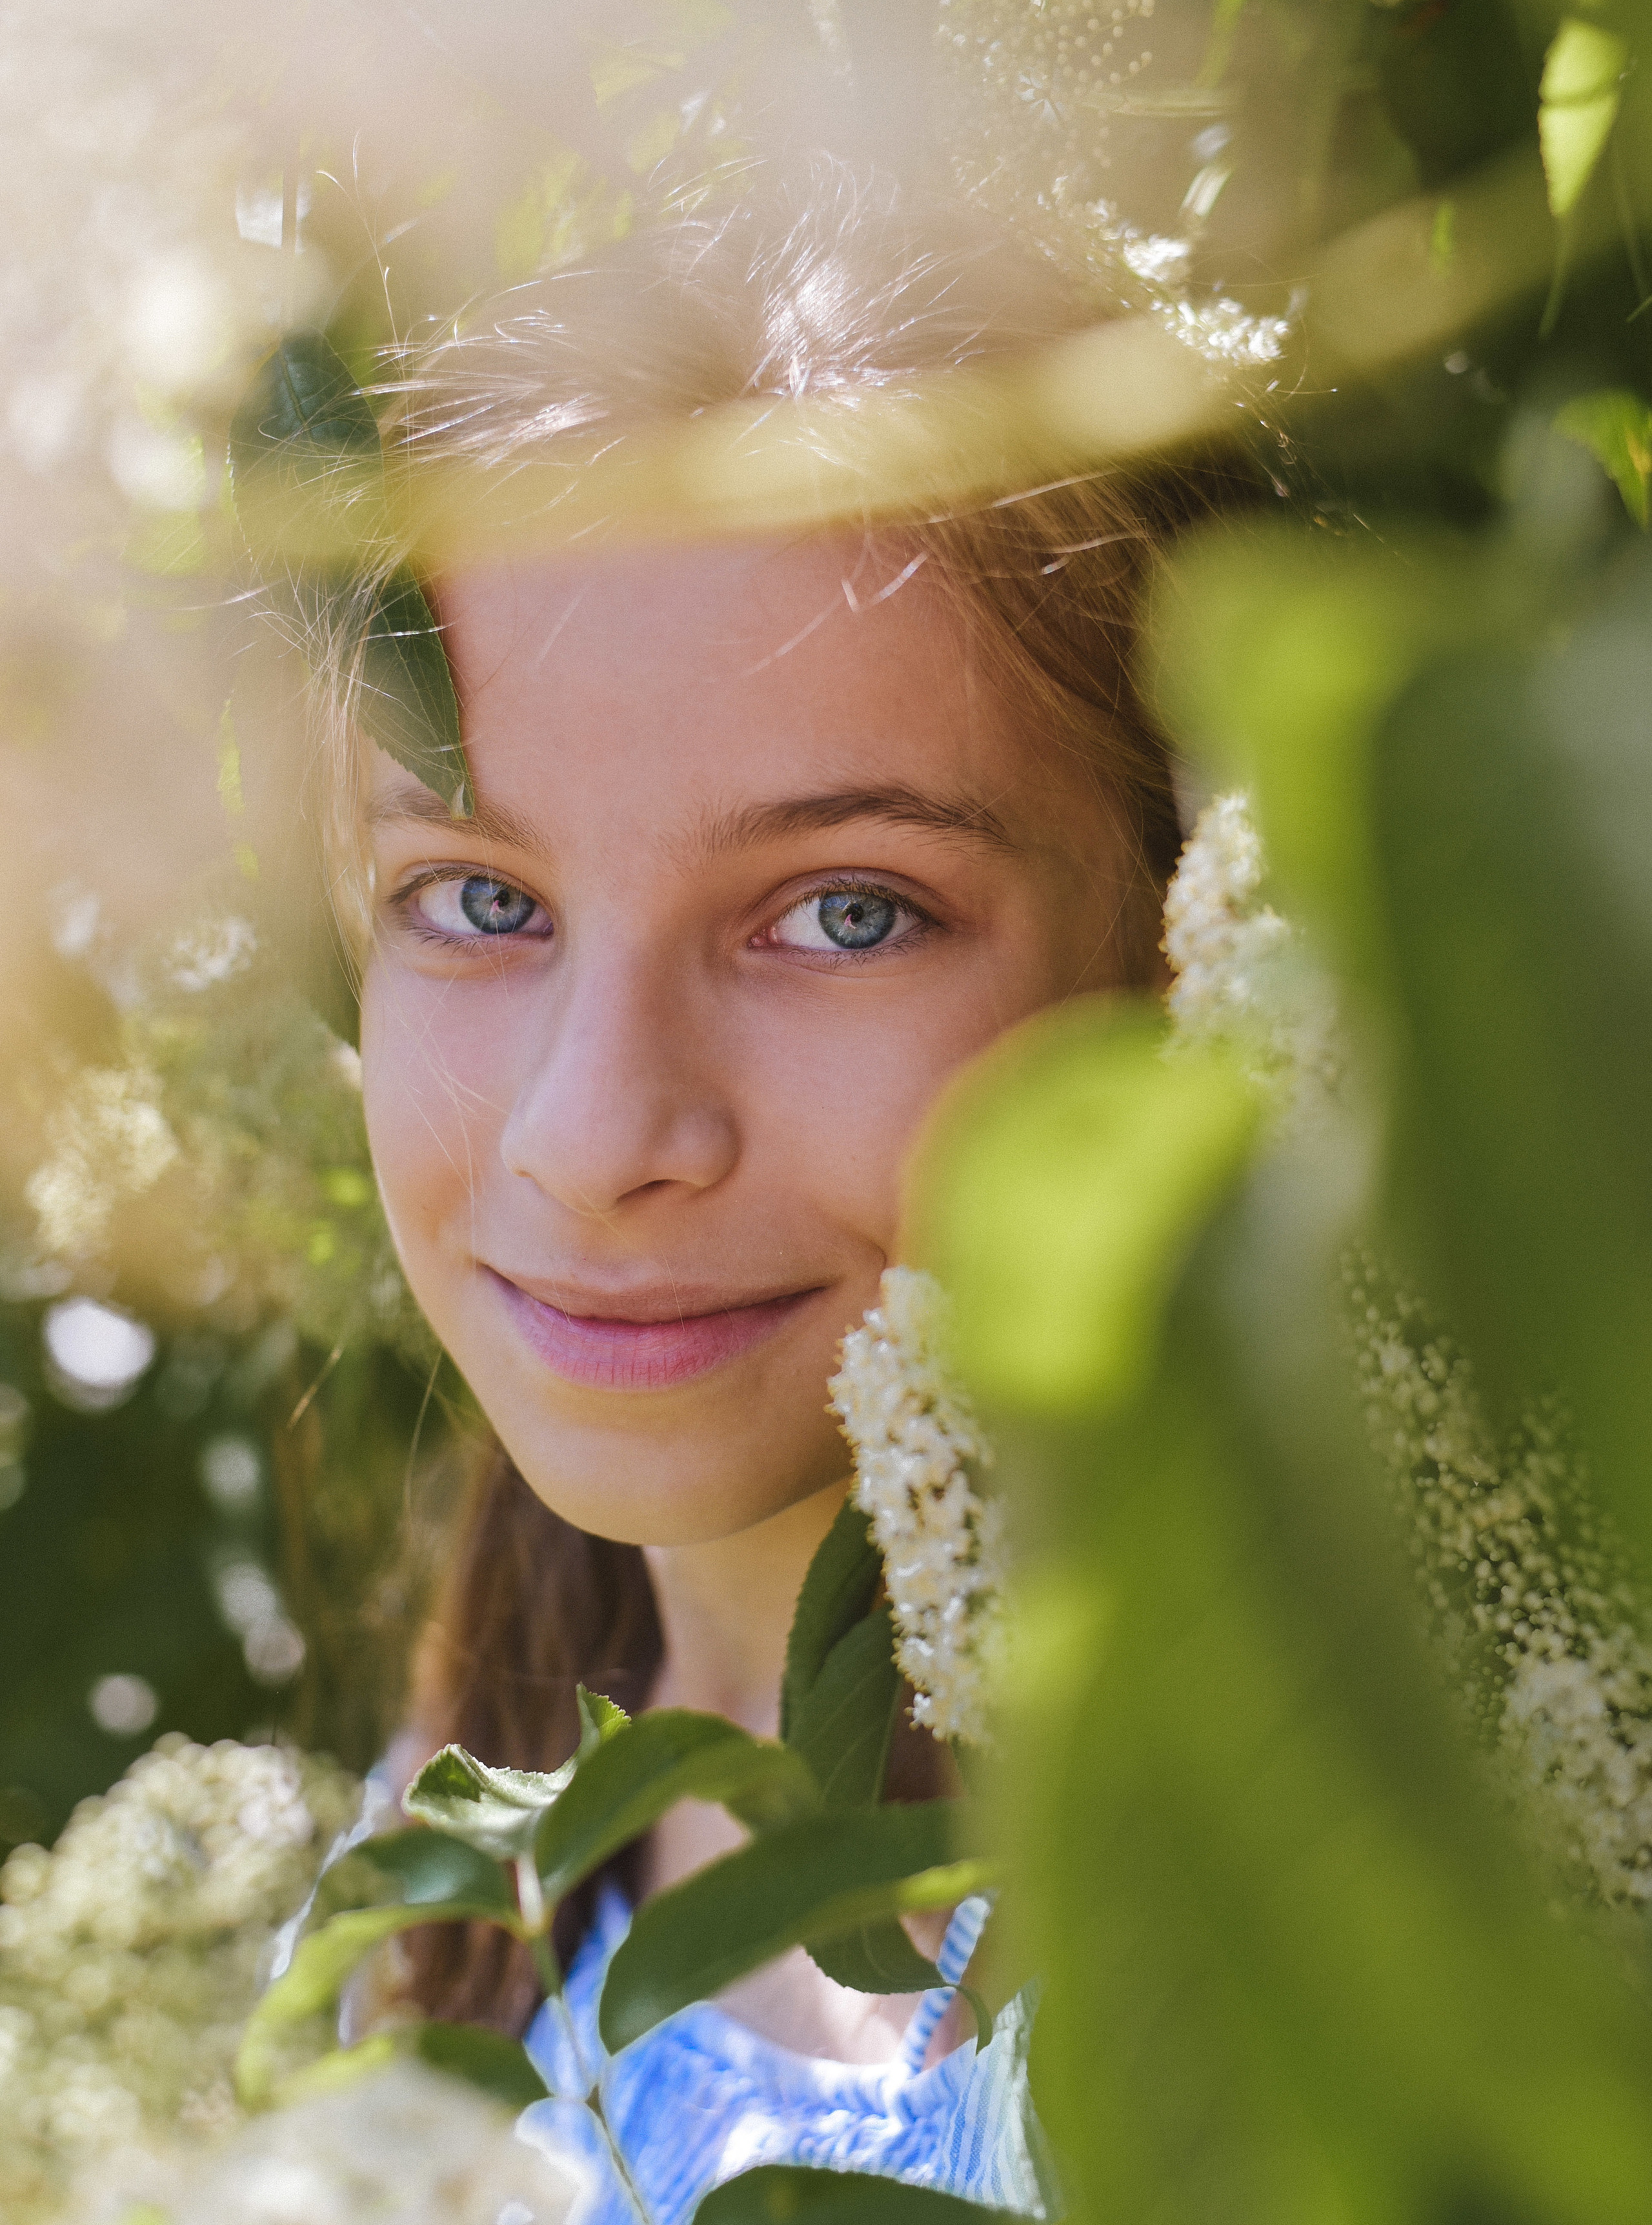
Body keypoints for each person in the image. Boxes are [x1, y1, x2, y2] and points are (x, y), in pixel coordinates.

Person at [309, 162, 1211, 2219]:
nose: (589, 1128)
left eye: (849, 911)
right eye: (475, 896)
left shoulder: (1295, 1975)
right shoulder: (426, 1910)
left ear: (1185, 949)